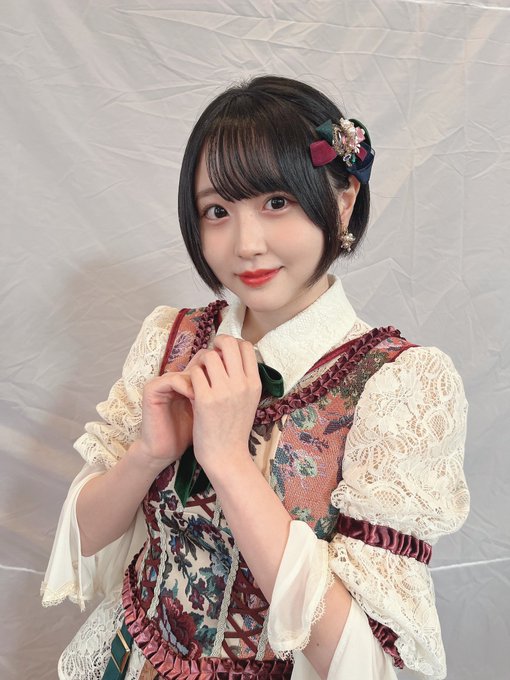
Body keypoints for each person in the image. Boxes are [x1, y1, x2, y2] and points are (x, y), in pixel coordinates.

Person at [41, 75, 469, 680]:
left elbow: (361, 658)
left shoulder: (398, 385)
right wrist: (147, 454)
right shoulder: (172, 338)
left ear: (343, 199)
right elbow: (86, 541)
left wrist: (228, 461)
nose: (246, 244)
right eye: (217, 211)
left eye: (276, 202)